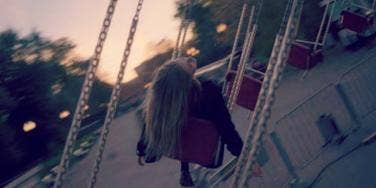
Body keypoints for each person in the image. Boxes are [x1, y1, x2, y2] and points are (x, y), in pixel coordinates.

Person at [136, 57, 243, 187]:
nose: (184, 59)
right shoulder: (207, 91)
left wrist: (141, 151)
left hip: (186, 149)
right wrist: (243, 156)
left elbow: (149, 130)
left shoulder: (163, 108)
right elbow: (226, 129)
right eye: (181, 62)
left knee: (180, 125)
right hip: (209, 155)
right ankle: (185, 170)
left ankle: (184, 169)